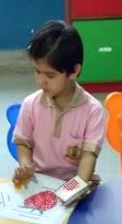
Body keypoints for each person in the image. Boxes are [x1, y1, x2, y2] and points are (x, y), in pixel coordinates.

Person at [12, 20, 106, 185]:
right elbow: (23, 143)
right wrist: (26, 166)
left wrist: (74, 190)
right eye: (37, 71)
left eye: (50, 75)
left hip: (76, 182)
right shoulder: (30, 104)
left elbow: (88, 157)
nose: (41, 81)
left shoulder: (93, 111)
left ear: (74, 71)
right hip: (39, 180)